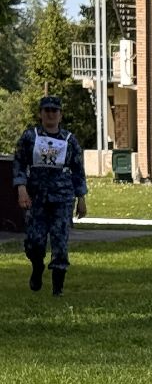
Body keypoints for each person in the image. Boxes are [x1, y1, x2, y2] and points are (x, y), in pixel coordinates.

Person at [14, 94, 88, 297]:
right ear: (40, 114)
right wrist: (21, 187)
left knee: (60, 243)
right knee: (34, 242)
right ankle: (37, 267)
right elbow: (19, 162)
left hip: (62, 199)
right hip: (36, 197)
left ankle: (58, 289)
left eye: (54, 111)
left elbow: (77, 170)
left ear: (60, 115)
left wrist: (81, 198)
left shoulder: (69, 140)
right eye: (46, 110)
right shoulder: (30, 137)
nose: (50, 114)